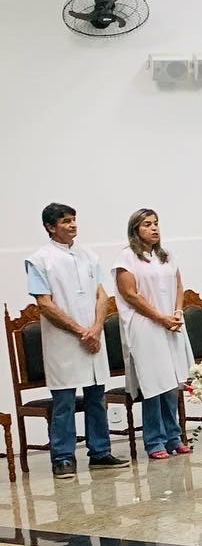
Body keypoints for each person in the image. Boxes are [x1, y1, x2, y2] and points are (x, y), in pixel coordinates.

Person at [23, 203, 130, 479]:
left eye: (74, 220)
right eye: (66, 221)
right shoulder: (39, 260)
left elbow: (102, 296)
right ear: (50, 226)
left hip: (94, 336)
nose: (73, 225)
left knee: (97, 397)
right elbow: (45, 305)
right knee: (64, 402)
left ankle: (100, 452)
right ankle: (62, 458)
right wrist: (80, 331)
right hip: (64, 341)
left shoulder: (88, 256)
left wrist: (96, 328)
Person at [112, 209, 194, 460]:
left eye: (156, 223)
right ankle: (154, 441)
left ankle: (174, 436)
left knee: (172, 384)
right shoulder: (126, 259)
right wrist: (160, 317)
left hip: (172, 323)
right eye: (147, 224)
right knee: (154, 384)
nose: (154, 228)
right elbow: (130, 295)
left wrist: (177, 311)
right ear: (136, 229)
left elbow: (179, 285)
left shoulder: (166, 255)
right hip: (145, 326)